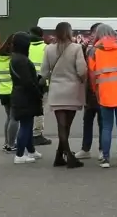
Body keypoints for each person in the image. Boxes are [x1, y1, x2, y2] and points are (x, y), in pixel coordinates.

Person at [88, 24, 117, 168]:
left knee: (106, 127)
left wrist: (95, 91)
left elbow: (91, 74)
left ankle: (106, 159)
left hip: (105, 93)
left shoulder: (94, 51)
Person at [41, 22, 86, 169]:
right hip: (72, 89)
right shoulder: (76, 48)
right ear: (69, 32)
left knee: (62, 125)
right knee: (67, 125)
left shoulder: (48, 49)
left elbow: (44, 72)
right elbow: (82, 70)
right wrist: (82, 80)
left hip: (56, 90)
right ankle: (69, 156)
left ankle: (59, 156)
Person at [9, 32, 44, 164]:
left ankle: (31, 150)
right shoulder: (22, 60)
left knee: (27, 124)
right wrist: (38, 92)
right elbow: (28, 81)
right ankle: (19, 154)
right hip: (25, 96)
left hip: (19, 95)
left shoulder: (16, 58)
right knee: (26, 125)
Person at [75, 22, 103, 160]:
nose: (92, 36)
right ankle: (85, 149)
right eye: (91, 33)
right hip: (89, 91)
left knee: (103, 122)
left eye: (95, 33)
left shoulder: (104, 49)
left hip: (102, 90)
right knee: (87, 120)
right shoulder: (86, 49)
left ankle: (103, 149)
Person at [0, 34, 18, 154]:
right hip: (13, 91)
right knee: (15, 118)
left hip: (3, 92)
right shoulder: (13, 59)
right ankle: (11, 144)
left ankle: (6, 142)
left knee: (9, 117)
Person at [28, 26, 51, 146]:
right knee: (39, 110)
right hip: (42, 83)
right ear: (42, 36)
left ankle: (27, 133)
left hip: (28, 83)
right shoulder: (46, 48)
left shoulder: (26, 47)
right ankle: (37, 135)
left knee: (28, 109)